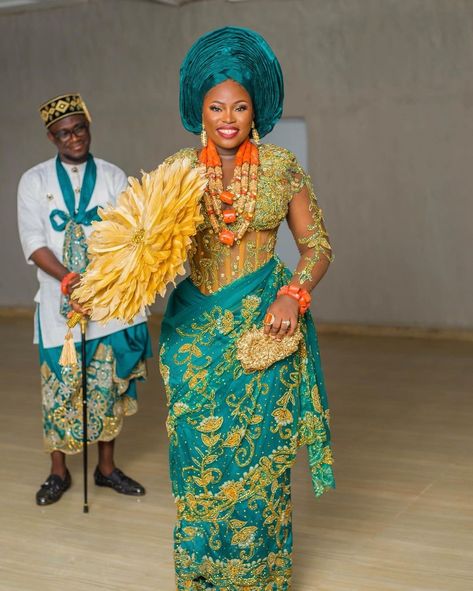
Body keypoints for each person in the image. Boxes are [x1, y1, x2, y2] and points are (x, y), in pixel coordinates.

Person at [158, 27, 335, 589]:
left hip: (265, 334)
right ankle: (204, 578)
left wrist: (293, 294)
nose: (228, 117)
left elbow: (318, 246)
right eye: (216, 106)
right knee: (199, 464)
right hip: (193, 339)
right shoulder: (177, 175)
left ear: (255, 108)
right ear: (199, 110)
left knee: (261, 466)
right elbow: (143, 248)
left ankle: (260, 579)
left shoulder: (282, 168)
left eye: (239, 105)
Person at [17, 93, 152, 506]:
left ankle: (106, 468)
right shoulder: (33, 180)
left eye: (79, 129)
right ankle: (58, 472)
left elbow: (131, 234)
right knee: (60, 389)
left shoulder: (112, 176)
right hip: (61, 304)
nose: (72, 139)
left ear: (89, 127)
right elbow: (34, 242)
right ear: (51, 138)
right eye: (62, 134)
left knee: (107, 388)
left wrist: (103, 280)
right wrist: (70, 280)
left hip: (109, 303)